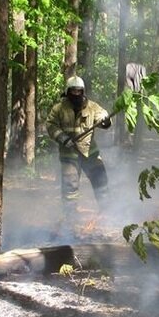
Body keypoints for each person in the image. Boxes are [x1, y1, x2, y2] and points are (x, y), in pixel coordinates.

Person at [45, 76, 112, 217]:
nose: (76, 94)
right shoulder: (58, 109)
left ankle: (107, 213)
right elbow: (51, 125)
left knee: (101, 181)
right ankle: (70, 218)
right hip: (69, 156)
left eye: (79, 91)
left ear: (83, 92)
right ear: (67, 92)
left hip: (90, 154)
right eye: (73, 91)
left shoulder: (92, 107)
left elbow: (102, 115)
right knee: (70, 188)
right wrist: (63, 138)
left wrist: (105, 120)